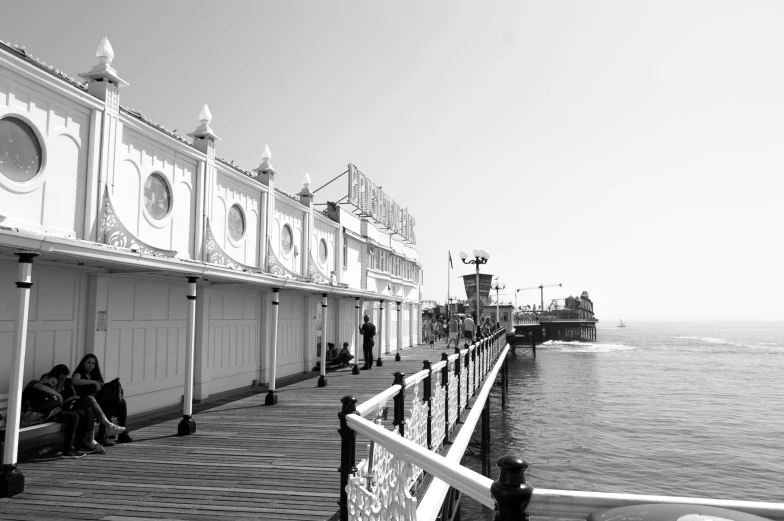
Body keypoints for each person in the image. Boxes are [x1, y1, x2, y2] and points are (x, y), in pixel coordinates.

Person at [22, 365, 97, 458]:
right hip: (37, 415)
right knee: (73, 416)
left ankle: (78, 446)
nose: (51, 385)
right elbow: (41, 388)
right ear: (46, 377)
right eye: (51, 382)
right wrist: (58, 394)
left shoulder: (48, 392)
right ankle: (67, 451)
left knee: (80, 413)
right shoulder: (34, 384)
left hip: (50, 413)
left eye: (54, 383)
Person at [72, 354, 131, 445]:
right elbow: (74, 381)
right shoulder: (79, 374)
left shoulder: (96, 375)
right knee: (105, 404)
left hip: (97, 401)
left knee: (122, 402)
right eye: (88, 362)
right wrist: (93, 382)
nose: (91, 365)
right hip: (84, 401)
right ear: (83, 363)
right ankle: (103, 435)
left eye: (93, 363)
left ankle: (122, 433)